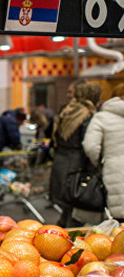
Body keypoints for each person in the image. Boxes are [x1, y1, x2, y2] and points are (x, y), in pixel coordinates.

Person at [50, 83, 102, 227]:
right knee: (76, 208)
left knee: (68, 207)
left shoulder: (66, 111)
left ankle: (56, 237)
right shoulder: (87, 115)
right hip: (77, 167)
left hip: (61, 164)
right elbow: (88, 144)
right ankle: (64, 243)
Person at [78, 83, 124, 223]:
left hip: (114, 170)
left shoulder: (102, 117)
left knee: (119, 223)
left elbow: (90, 146)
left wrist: (99, 162)